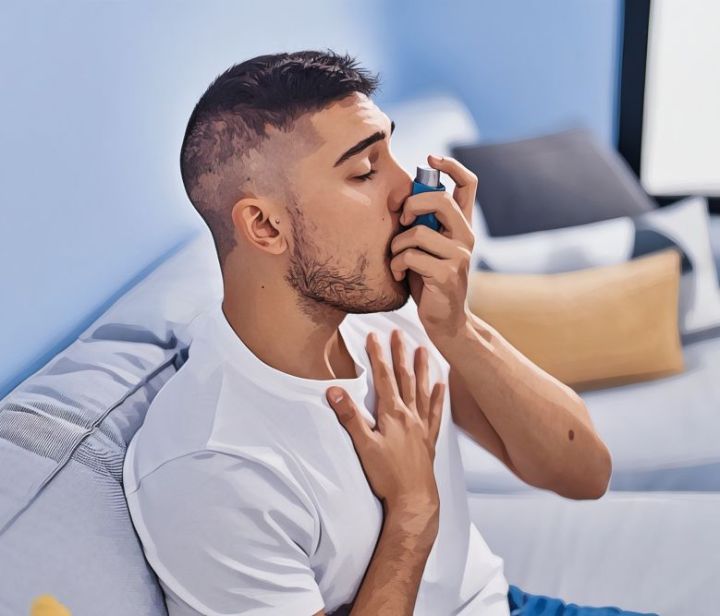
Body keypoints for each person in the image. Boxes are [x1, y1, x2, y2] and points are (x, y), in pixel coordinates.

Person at [122, 49, 657, 616]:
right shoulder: (212, 467)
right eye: (364, 170)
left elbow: (585, 473)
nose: (409, 191)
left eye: (392, 154)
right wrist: (413, 511)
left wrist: (457, 328)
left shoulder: (390, 315)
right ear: (264, 225)